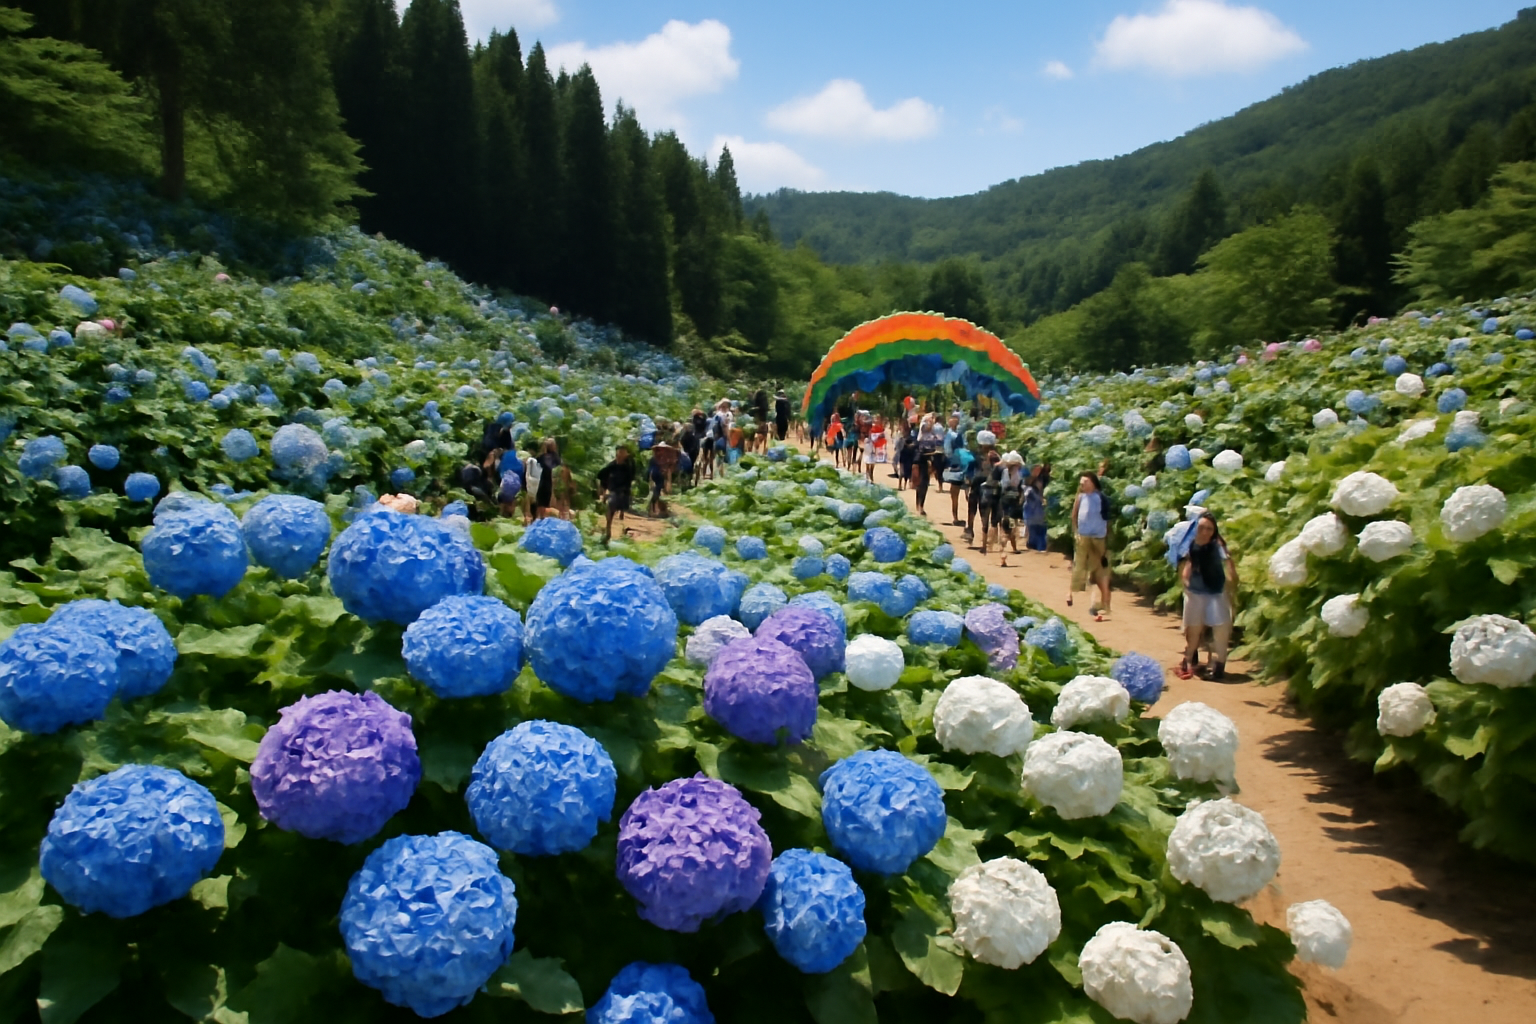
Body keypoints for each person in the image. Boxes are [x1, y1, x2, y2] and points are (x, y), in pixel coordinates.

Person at [1177, 512, 1239, 681]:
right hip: (1195, 591)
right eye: (1202, 527)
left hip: (1215, 592)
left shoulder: (1217, 545)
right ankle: (1189, 658)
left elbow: (1228, 563)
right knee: (1193, 628)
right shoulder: (1192, 543)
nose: (1205, 531)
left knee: (1220, 628)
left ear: (1214, 531)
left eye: (1209, 528)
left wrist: (1232, 580)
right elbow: (1190, 562)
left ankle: (1219, 664)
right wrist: (1185, 579)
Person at [1068, 471, 1111, 620]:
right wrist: (1075, 532)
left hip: (1098, 538)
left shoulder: (1101, 498)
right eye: (1081, 483)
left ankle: (1103, 604)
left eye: (1084, 482)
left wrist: (1107, 537)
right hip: (1083, 536)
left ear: (1092, 482)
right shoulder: (1080, 497)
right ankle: (1072, 593)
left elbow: (1107, 519)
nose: (1082, 485)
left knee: (1099, 571)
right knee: (1078, 565)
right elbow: (1074, 515)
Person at [595, 446, 635, 544]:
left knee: (619, 508)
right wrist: (603, 490)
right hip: (613, 491)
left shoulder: (628, 467)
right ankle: (608, 529)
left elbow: (630, 480)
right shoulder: (611, 466)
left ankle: (620, 528)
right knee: (610, 507)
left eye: (622, 455)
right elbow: (601, 475)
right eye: (618, 455)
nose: (620, 457)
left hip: (623, 492)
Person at [996, 452, 1025, 565]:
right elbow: (1020, 489)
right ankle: (1011, 547)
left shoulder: (1004, 472)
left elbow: (1001, 486)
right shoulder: (1018, 474)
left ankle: (1004, 548)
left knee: (1004, 524)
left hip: (1004, 500)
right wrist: (1020, 501)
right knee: (1012, 525)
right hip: (1013, 502)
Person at [525, 437, 563, 522]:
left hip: (544, 483)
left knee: (542, 503)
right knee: (545, 503)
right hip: (546, 483)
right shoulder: (554, 458)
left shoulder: (543, 457)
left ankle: (540, 518)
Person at [1023, 465, 1049, 552]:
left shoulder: (1046, 491)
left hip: (1040, 516)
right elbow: (1026, 496)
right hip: (1032, 515)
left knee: (1041, 533)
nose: (1039, 483)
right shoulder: (1030, 490)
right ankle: (1034, 545)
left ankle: (1040, 547)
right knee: (1034, 533)